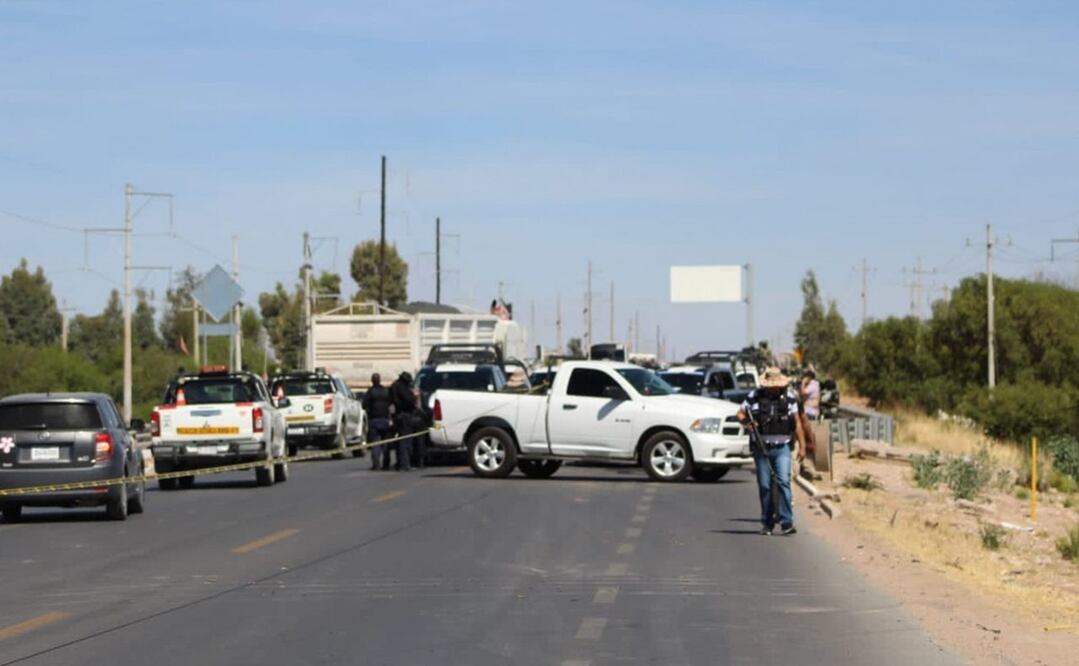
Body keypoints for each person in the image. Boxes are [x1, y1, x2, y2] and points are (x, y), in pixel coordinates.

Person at [737, 367, 807, 536]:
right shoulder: (754, 396)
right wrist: (748, 423)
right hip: (762, 448)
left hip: (782, 447)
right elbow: (740, 413)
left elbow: (797, 422)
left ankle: (786, 522)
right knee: (765, 486)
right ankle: (767, 523)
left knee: (784, 481)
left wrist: (803, 446)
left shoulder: (789, 398)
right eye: (770, 385)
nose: (773, 388)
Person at [390, 372, 421, 471]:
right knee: (406, 441)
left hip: (398, 416)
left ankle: (400, 463)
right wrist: (414, 397)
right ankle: (405, 464)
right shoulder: (402, 387)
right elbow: (408, 399)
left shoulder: (394, 386)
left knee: (400, 441)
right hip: (404, 416)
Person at [362, 373, 393, 471]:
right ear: (380, 380)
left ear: (372, 380)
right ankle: (386, 464)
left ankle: (376, 464)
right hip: (385, 419)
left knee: (375, 444)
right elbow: (391, 404)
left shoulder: (370, 392)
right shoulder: (386, 391)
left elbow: (364, 405)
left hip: (374, 420)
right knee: (386, 444)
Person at [799, 369, 821, 458]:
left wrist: (803, 383)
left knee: (806, 433)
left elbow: (802, 393)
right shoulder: (815, 384)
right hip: (810, 411)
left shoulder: (812, 385)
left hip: (809, 412)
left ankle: (811, 449)